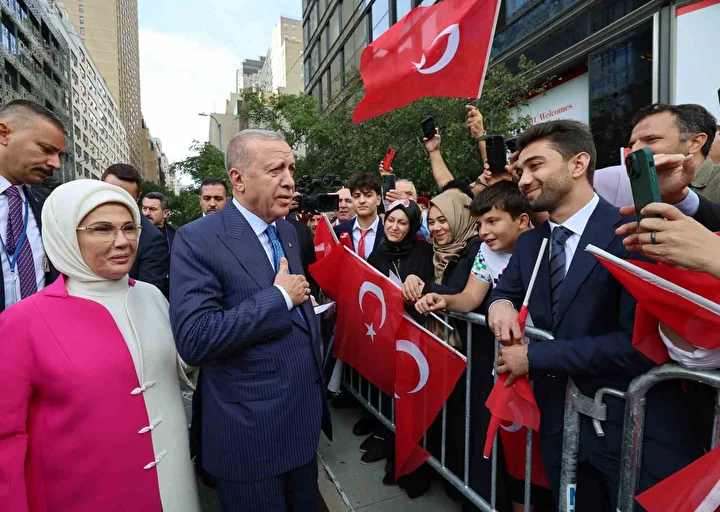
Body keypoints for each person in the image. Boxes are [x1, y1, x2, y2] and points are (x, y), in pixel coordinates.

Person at [487, 119, 699, 510]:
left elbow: (639, 344)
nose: (524, 180)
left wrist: (535, 356)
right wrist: (499, 306)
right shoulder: (531, 243)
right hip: (559, 424)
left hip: (629, 430)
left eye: (535, 166)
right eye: (520, 171)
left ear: (578, 163)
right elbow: (505, 291)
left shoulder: (633, 234)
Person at [0, 180, 200, 511]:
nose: (122, 241)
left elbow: (181, 364)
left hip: (175, 486)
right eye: (102, 229)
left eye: (129, 228)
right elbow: (5, 437)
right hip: (80, 495)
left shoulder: (152, 296)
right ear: (65, 234)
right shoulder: (21, 322)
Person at [170, 129, 330, 512]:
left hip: (301, 424)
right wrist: (279, 299)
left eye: (291, 168)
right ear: (238, 179)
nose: (289, 181)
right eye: (275, 170)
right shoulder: (197, 239)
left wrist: (301, 307)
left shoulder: (286, 230)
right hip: (250, 437)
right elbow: (195, 338)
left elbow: (291, 298)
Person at [416, 180, 533, 315]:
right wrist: (445, 300)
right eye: (479, 225)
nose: (483, 232)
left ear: (522, 221)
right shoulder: (485, 252)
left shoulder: (546, 248)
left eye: (492, 221)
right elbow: (471, 297)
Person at [0, 100, 65, 313]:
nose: (56, 164)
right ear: (3, 134)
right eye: (46, 150)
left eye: (59, 155)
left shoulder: (47, 207)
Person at [594, 103, 719, 206]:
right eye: (631, 145)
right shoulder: (631, 188)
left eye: (651, 139)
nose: (635, 150)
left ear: (695, 142)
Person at [102, 164, 169, 295]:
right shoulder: (80, 224)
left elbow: (148, 294)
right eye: (110, 193)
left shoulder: (152, 239)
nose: (114, 201)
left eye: (124, 197)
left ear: (137, 197)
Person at [334, 173, 384, 259]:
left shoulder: (388, 231)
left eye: (368, 195)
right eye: (356, 196)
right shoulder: (338, 232)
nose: (361, 201)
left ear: (378, 199)